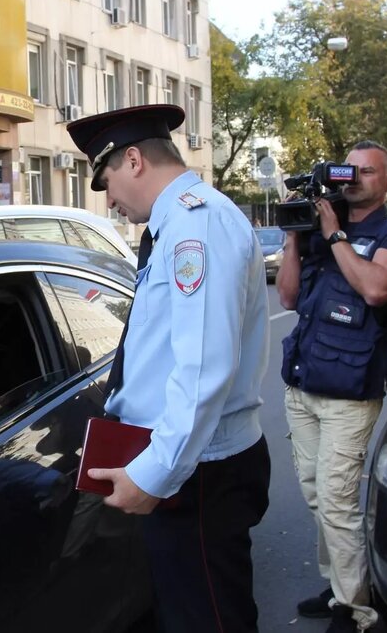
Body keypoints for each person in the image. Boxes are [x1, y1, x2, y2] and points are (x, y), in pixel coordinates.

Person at [66, 104, 272, 633]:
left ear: (133, 160)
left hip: (197, 472)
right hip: (184, 461)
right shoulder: (175, 226)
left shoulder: (195, 227)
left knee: (207, 620)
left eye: (106, 179)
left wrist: (155, 474)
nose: (110, 199)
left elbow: (204, 367)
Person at [276, 141, 387, 633]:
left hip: (352, 393)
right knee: (318, 495)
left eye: (367, 171)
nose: (355, 178)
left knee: (338, 501)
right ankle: (340, 584)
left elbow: (377, 288)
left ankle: (356, 609)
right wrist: (298, 237)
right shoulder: (321, 226)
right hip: (304, 385)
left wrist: (334, 233)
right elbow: (290, 295)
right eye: (349, 171)